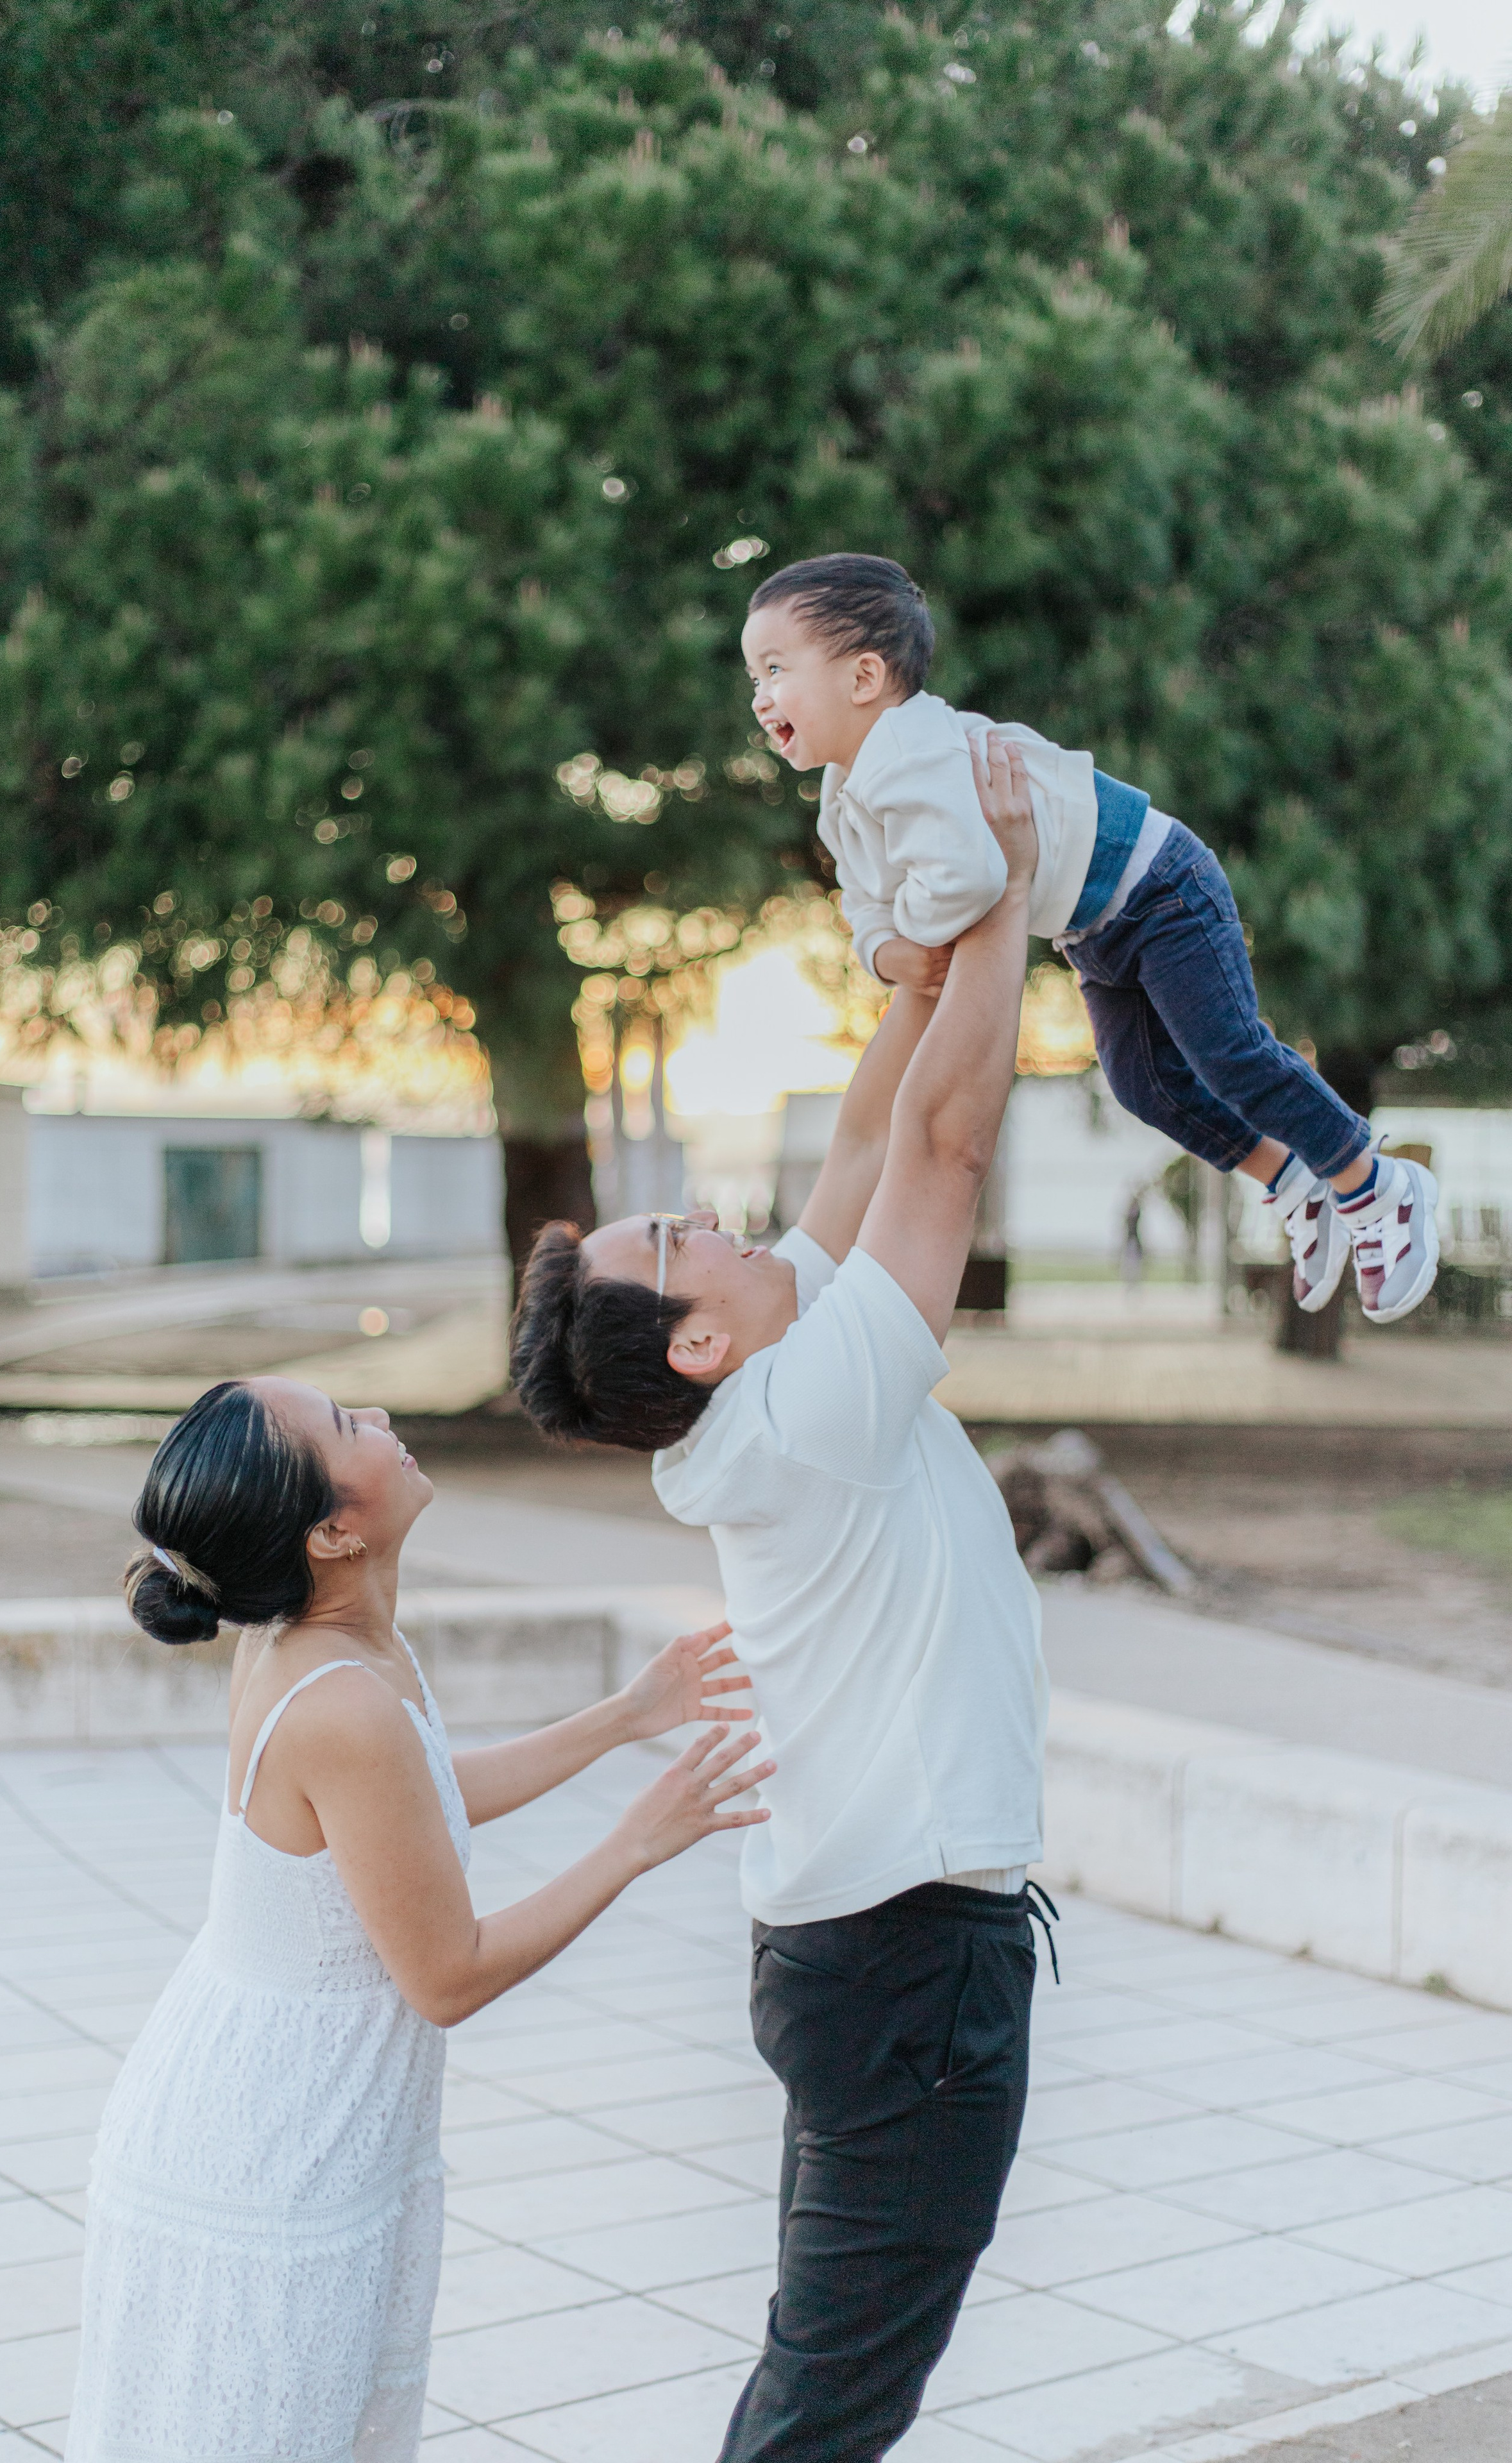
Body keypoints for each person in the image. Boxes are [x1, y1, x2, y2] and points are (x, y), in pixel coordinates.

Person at [510, 738, 1050, 2461]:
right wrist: (1006, 902)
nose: (703, 1216)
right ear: (691, 1336)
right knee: (833, 2397)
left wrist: (916, 975)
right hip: (904, 1962)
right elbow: (943, 1152)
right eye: (675, 1240)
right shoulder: (805, 1409)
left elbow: (867, 1140)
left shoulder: (769, 1382)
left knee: (826, 2375)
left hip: (868, 1956)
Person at [64, 1376, 770, 2463]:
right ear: (332, 1532)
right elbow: (449, 1975)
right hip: (269, 2153)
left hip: (285, 2112)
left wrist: (626, 1718)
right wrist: (639, 1838)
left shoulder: (337, 1642)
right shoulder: (338, 1697)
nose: (385, 1422)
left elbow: (414, 1803)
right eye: (350, 1428)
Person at [742, 550, 1438, 1329]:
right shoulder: (844, 795)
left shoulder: (914, 754)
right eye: (754, 678)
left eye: (776, 670)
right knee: (1144, 1086)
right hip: (1094, 930)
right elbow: (864, 900)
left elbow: (973, 878)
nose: (760, 697)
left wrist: (913, 929)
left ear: (864, 677)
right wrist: (884, 951)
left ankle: (1374, 1184)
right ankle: (1291, 1181)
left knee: (1228, 1054)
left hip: (1159, 885)